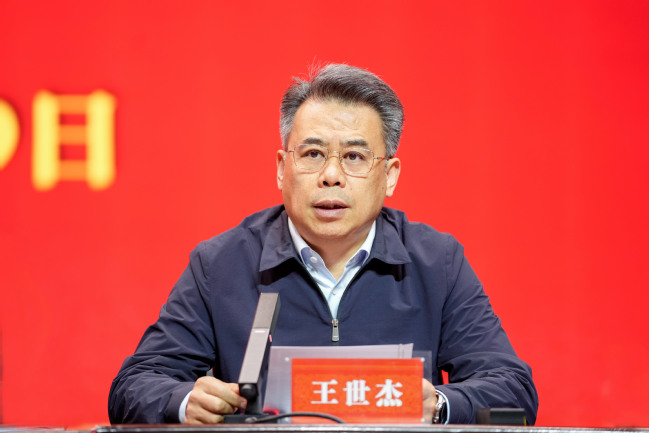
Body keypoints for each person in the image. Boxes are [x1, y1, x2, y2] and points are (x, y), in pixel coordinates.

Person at [108, 64, 538, 425]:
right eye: (312, 154)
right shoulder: (221, 264)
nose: (331, 175)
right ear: (282, 168)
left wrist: (439, 405)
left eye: (354, 157)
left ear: (389, 175)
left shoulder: (436, 263)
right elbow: (134, 386)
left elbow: (513, 390)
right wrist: (185, 402)